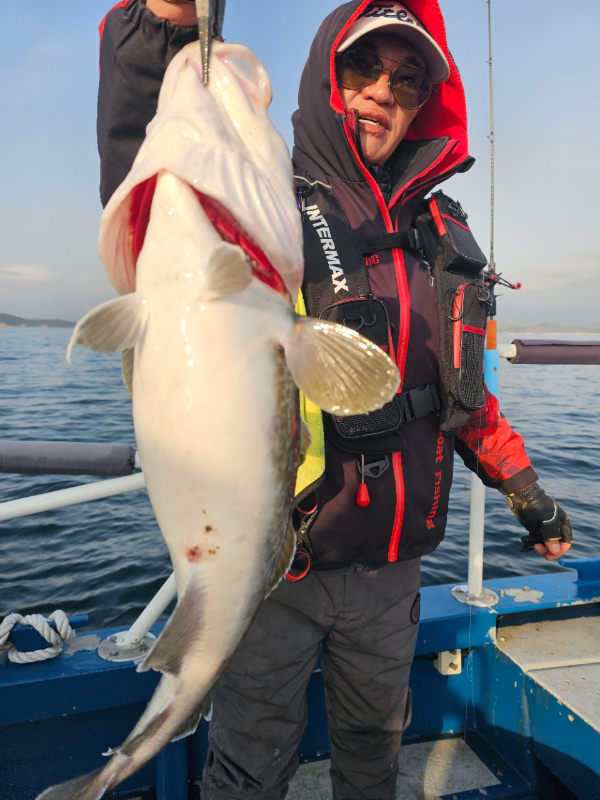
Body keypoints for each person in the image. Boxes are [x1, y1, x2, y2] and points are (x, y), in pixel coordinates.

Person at [97, 2, 573, 798]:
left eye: (408, 78)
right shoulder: (263, 199)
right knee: (249, 765)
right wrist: (165, 30)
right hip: (281, 563)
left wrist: (527, 493)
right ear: (328, 75)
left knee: (374, 752)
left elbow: (463, 395)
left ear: (426, 101)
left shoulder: (444, 234)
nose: (384, 90)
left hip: (393, 571)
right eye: (363, 67)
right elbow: (156, 161)